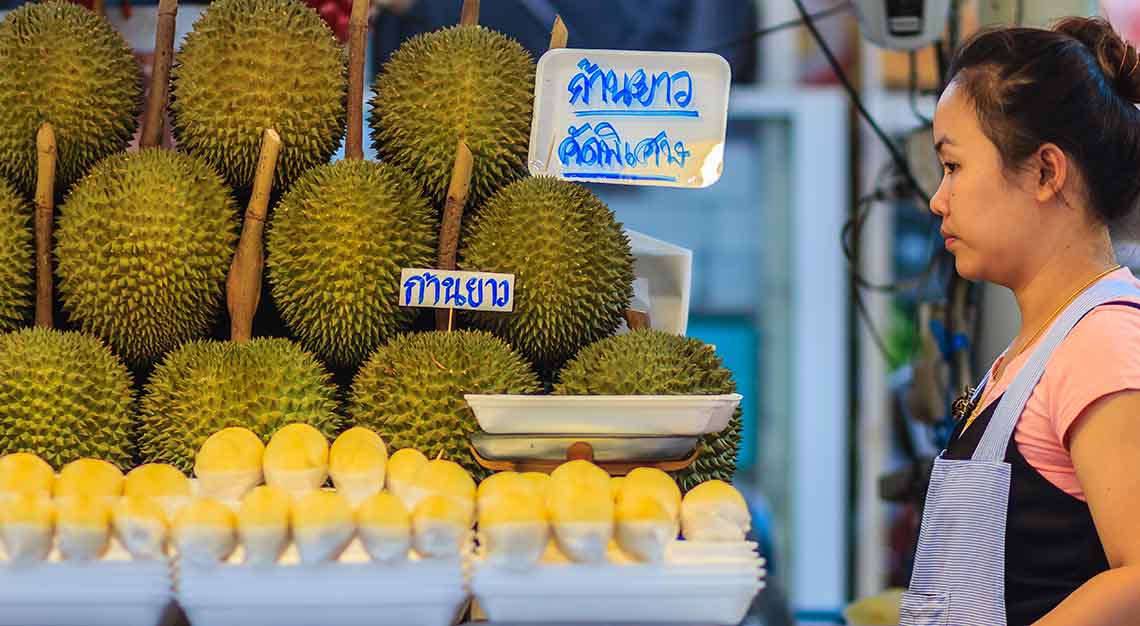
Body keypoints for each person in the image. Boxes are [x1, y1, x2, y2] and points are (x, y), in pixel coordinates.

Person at [905, 16, 1140, 626]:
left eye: (952, 166)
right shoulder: (1033, 353)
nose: (938, 199)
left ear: (1044, 172)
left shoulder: (1103, 344)